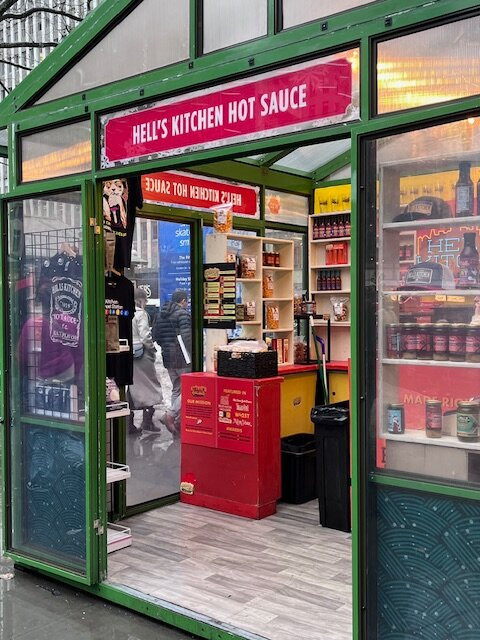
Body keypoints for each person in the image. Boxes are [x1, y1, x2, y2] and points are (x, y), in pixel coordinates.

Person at [153, 290, 191, 437]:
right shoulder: (183, 314)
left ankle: (177, 422)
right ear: (183, 301)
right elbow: (187, 337)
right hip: (182, 357)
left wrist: (166, 347)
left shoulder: (160, 315)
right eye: (187, 302)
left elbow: (156, 336)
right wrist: (192, 352)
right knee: (187, 389)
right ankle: (170, 415)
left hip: (168, 357)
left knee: (176, 388)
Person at [128, 288, 164, 432]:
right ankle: (147, 422)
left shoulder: (124, 312)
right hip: (141, 355)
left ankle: (129, 423)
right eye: (145, 300)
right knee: (149, 387)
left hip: (129, 354)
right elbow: (145, 335)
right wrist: (152, 348)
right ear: (140, 300)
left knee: (132, 388)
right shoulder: (140, 313)